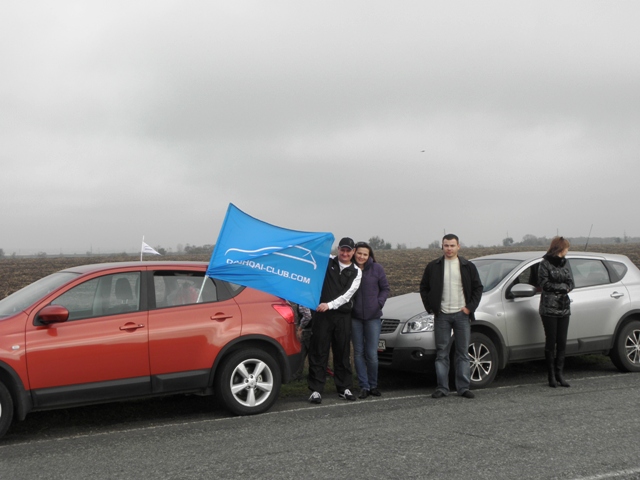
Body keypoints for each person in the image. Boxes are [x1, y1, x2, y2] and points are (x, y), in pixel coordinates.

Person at [419, 234, 483, 399]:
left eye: (452, 245)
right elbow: (424, 287)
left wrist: (469, 308)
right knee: (442, 353)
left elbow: (478, 288)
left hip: (462, 315)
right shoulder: (433, 267)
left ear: (458, 246)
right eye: (446, 245)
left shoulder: (467, 266)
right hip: (442, 315)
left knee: (462, 353)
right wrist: (431, 307)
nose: (449, 248)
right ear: (442, 246)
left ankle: (463, 388)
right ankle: (442, 388)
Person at [307, 237, 362, 404]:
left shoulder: (356, 272)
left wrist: (329, 305)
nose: (345, 253)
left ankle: (344, 388)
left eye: (348, 251)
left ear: (353, 252)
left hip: (342, 316)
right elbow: (311, 253)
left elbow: (347, 296)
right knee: (319, 352)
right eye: (342, 250)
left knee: (342, 352)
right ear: (338, 249)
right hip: (322, 316)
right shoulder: (328, 260)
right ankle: (316, 390)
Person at [351, 241, 390, 399]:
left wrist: (378, 303)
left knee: (372, 353)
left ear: (369, 256)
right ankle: (364, 386)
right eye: (359, 253)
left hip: (373, 317)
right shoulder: (349, 269)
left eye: (365, 254)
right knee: (358, 353)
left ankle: (373, 385)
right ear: (354, 253)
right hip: (354, 318)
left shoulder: (377, 269)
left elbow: (385, 288)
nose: (361, 256)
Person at [538, 236, 574, 388]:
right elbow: (544, 284)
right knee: (551, 342)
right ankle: (551, 375)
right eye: (566, 248)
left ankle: (560, 374)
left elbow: (571, 283)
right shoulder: (544, 263)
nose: (567, 250)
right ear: (560, 248)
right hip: (549, 308)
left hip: (564, 307)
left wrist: (564, 287)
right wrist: (563, 287)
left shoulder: (566, 263)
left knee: (562, 342)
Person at [292, 304, 312, 381]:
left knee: (302, 353)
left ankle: (297, 375)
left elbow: (307, 316)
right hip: (312, 329)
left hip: (307, 331)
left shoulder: (302, 302)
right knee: (311, 354)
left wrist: (300, 328)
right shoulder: (309, 299)